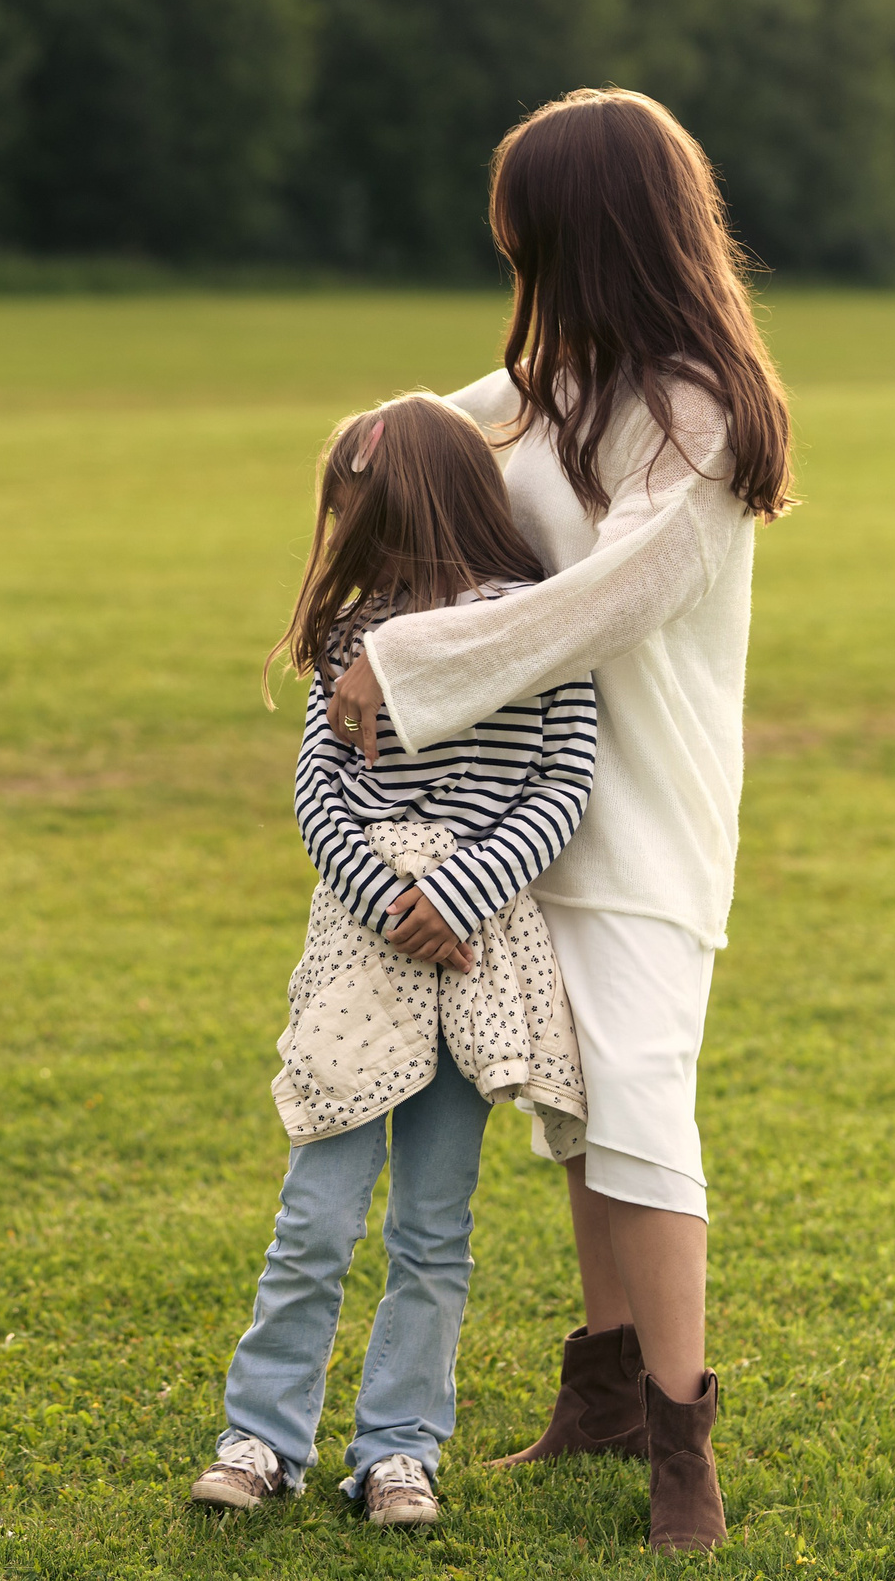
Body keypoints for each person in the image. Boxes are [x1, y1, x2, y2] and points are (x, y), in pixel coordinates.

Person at [327, 88, 796, 1552]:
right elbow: (415, 435)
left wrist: (402, 666)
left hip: (645, 813)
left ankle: (681, 1440)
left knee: (644, 1108)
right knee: (577, 1108)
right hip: (527, 804)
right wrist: (366, 450)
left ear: (591, 233)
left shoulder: (695, 415)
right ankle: (598, 1389)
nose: (516, 262)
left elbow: (612, 599)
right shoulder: (552, 377)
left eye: (529, 234)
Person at [191, 394, 598, 1528]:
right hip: (360, 952)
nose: (341, 540)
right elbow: (318, 785)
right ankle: (261, 1434)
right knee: (315, 1211)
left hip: (472, 947)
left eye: (354, 511)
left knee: (433, 1222)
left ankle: (398, 1448)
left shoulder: (532, 627)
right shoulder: (350, 634)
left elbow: (562, 782)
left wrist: (460, 890)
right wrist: (384, 897)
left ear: (407, 503)